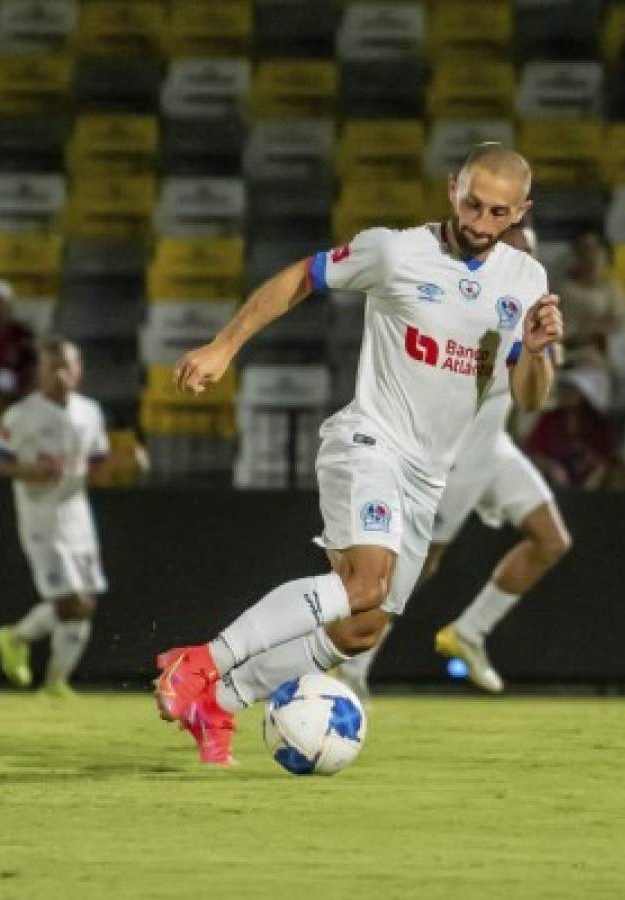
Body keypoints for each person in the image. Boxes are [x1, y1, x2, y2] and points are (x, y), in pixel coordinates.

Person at [153, 143, 564, 766]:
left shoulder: (526, 281)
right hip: (369, 440)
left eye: (497, 212)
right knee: (362, 582)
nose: (480, 222)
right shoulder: (395, 251)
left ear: (520, 212)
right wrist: (223, 347)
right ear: (453, 188)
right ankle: (202, 662)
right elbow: (300, 277)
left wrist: (534, 350)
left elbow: (531, 398)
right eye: (472, 203)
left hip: (428, 476)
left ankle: (221, 701)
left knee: (360, 626)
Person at [337, 223, 572, 699]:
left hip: (494, 445)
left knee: (551, 540)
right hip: (458, 450)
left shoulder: (529, 302)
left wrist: (541, 345)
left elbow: (539, 387)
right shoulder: (469, 301)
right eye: (513, 247)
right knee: (416, 565)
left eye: (528, 249)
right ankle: (351, 666)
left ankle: (468, 633)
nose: (521, 257)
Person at [0, 336, 109, 697]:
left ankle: (56, 684)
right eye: (50, 366)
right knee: (70, 602)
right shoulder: (21, 415)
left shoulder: (90, 411)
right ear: (39, 371)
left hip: (77, 513)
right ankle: (15, 638)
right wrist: (27, 470)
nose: (58, 374)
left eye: (65, 366)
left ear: (78, 370)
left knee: (85, 601)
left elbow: (98, 463)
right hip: (42, 516)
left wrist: (127, 463)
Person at [525, 365, 620, 490]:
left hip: (595, 488)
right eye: (564, 389)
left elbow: (609, 457)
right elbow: (532, 452)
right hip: (554, 486)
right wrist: (552, 467)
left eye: (571, 389)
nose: (566, 394)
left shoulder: (599, 423)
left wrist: (596, 476)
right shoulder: (548, 420)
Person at [556, 231, 625, 368]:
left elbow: (617, 323)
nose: (591, 256)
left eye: (595, 250)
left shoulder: (612, 289)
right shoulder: (563, 289)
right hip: (566, 356)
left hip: (599, 358)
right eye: (584, 251)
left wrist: (593, 328)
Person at [0, 280, 35, 448]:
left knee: (3, 381)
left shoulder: (21, 333)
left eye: (0, 302)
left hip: (15, 384)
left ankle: (3, 434)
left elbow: (32, 362)